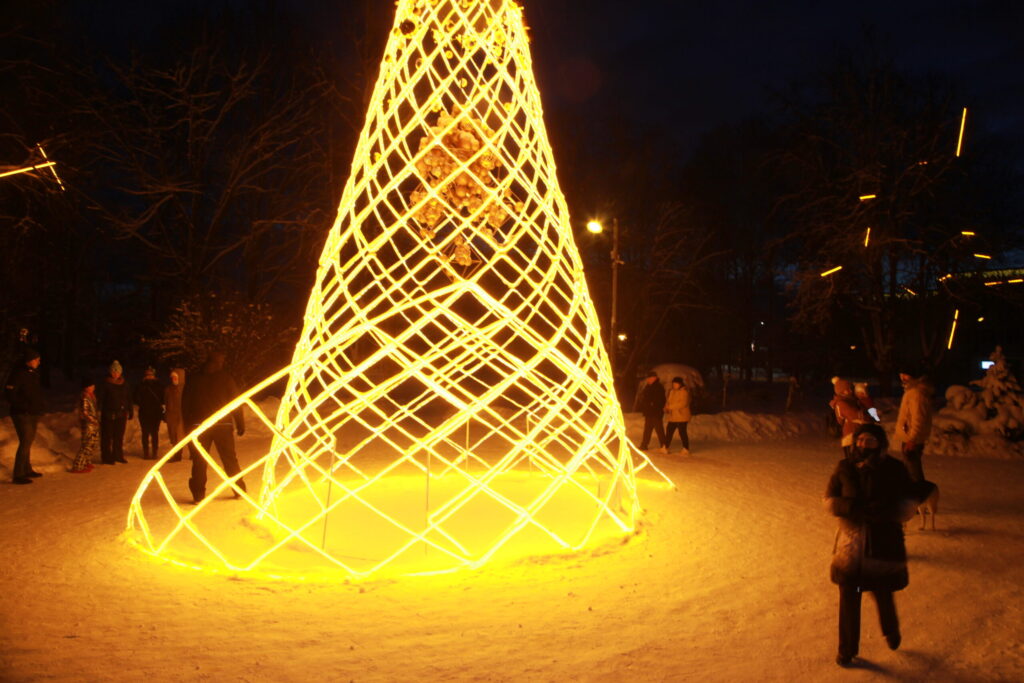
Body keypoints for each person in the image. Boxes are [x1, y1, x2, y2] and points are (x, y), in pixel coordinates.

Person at [824, 423, 927, 667]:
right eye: (860, 440)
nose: (864, 445)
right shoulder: (844, 467)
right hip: (851, 546)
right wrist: (849, 507)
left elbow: (907, 504)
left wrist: (885, 512)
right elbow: (829, 500)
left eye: (870, 441)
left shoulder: (894, 469)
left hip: (883, 544)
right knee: (850, 596)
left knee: (882, 593)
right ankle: (847, 649)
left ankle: (890, 630)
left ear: (880, 444)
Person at [183, 351, 246, 503]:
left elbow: (185, 405)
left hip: (200, 426)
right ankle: (239, 489)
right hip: (222, 425)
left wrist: (187, 427)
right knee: (229, 459)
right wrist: (240, 422)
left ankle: (198, 494)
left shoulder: (194, 379)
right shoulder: (226, 378)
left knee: (199, 460)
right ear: (219, 361)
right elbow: (235, 402)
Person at [4, 348, 46, 484]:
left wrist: (39, 406)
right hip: (21, 414)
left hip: (33, 412)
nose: (39, 362)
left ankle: (27, 469)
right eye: (37, 359)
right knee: (25, 442)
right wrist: (23, 406)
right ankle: (18, 474)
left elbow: (34, 393)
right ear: (29, 361)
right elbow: (9, 395)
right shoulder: (18, 374)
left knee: (28, 441)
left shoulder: (32, 373)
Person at [895, 366, 934, 482]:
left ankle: (919, 495)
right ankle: (914, 493)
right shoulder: (912, 392)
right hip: (910, 438)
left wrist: (912, 439)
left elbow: (918, 418)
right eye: (901, 375)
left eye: (905, 375)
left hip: (912, 439)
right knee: (910, 470)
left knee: (913, 472)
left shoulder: (916, 394)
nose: (902, 378)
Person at [97, 360, 132, 464]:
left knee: (118, 436)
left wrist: (130, 409)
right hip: (108, 414)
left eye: (117, 372)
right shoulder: (106, 384)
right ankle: (107, 457)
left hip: (121, 414)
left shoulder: (124, 384)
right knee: (107, 437)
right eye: (113, 371)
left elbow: (128, 397)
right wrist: (100, 411)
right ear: (110, 372)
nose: (115, 374)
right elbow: (101, 399)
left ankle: (118, 455)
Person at [829, 378, 869, 458]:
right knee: (853, 459)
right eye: (846, 390)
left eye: (850, 389)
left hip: (856, 433)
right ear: (841, 392)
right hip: (850, 434)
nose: (849, 391)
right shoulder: (841, 403)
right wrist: (868, 416)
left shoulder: (851, 400)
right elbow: (854, 415)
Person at [134, 366, 164, 460]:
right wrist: (140, 403)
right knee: (145, 433)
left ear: (154, 375)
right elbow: (135, 397)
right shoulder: (141, 385)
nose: (149, 376)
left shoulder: (159, 385)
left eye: (151, 374)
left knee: (155, 433)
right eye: (147, 375)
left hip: (155, 412)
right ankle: (146, 452)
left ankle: (155, 451)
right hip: (144, 412)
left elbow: (162, 397)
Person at [70, 378, 99, 473]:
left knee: (92, 444)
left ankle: (86, 462)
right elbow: (85, 412)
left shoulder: (92, 396)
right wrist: (93, 420)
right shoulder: (84, 397)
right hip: (88, 425)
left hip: (93, 424)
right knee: (86, 445)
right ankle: (78, 465)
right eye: (90, 386)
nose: (92, 388)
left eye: (93, 386)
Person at [636, 370, 668, 453]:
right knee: (647, 429)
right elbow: (645, 397)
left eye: (649, 378)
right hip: (649, 412)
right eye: (648, 378)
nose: (648, 380)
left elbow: (661, 400)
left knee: (659, 429)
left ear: (654, 378)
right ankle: (644, 445)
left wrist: (652, 404)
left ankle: (664, 446)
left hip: (656, 412)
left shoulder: (658, 387)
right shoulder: (648, 386)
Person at [664, 376, 692, 455]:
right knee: (669, 430)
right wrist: (666, 407)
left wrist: (671, 407)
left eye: (676, 384)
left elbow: (683, 404)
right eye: (673, 384)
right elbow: (669, 401)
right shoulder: (672, 391)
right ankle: (665, 447)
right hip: (673, 416)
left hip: (681, 416)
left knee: (682, 432)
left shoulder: (684, 392)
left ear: (680, 384)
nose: (674, 385)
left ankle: (686, 448)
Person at [164, 368, 186, 462]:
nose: (174, 379)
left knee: (182, 435)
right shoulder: (168, 389)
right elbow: (165, 401)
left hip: (182, 415)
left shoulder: (185, 388)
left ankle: (193, 454)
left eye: (175, 377)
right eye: (172, 377)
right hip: (172, 416)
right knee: (174, 436)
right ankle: (177, 454)